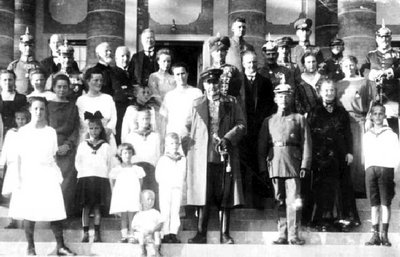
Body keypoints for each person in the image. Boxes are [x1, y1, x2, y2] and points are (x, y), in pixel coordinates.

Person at [186, 69, 246, 244]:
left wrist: (228, 138)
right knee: (203, 194)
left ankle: (225, 234)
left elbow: (242, 124)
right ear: (204, 85)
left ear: (219, 84)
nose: (212, 87)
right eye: (208, 83)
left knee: (225, 193)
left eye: (215, 83)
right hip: (203, 156)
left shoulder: (231, 102)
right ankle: (201, 233)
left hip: (224, 154)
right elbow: (187, 126)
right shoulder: (196, 104)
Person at [10, 97, 75, 256]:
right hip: (29, 174)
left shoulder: (50, 131)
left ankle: (60, 246)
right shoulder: (23, 132)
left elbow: (52, 156)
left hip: (47, 173)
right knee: (29, 210)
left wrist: (56, 174)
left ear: (46, 111)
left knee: (55, 209)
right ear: (31, 111)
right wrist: (18, 179)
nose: (39, 112)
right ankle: (30, 248)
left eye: (42, 109)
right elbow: (18, 157)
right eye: (36, 109)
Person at [258, 83, 311, 245]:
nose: (283, 99)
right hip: (275, 163)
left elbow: (307, 144)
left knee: (294, 200)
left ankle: (293, 234)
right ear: (275, 98)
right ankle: (282, 233)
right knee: (278, 199)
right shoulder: (269, 121)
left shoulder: (299, 119)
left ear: (292, 97)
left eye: (287, 95)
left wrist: (304, 165)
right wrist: (262, 167)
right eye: (280, 96)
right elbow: (262, 147)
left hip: (293, 163)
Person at [307, 80, 354, 231]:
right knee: (322, 186)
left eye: (332, 90)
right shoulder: (314, 111)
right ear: (320, 92)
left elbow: (347, 133)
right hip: (320, 155)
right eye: (326, 90)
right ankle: (322, 220)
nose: (329, 93)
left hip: (339, 155)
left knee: (340, 186)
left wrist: (349, 152)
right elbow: (309, 134)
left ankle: (341, 219)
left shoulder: (342, 112)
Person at [240, 50, 275, 208]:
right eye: (248, 62)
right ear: (243, 64)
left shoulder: (265, 82)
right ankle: (240, 201)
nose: (252, 65)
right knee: (241, 164)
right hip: (241, 129)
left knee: (259, 163)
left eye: (254, 62)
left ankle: (258, 201)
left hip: (260, 129)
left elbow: (270, 107)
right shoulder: (237, 81)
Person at [363, 103, 399, 247]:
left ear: (384, 116)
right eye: (375, 114)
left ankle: (384, 235)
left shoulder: (391, 134)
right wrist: (368, 168)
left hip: (386, 170)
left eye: (380, 113)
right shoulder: (367, 135)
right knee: (374, 204)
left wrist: (391, 170)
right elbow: (364, 154)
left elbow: (396, 155)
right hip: (371, 170)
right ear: (371, 116)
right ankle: (375, 234)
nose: (377, 116)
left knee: (385, 203)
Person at [75, 111, 113, 243]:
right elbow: (78, 162)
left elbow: (109, 163)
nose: (94, 131)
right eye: (91, 128)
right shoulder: (83, 145)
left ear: (101, 129)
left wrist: (104, 175)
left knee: (97, 207)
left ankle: (97, 232)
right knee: (86, 207)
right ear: (88, 129)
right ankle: (85, 232)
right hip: (86, 178)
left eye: (97, 128)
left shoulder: (106, 146)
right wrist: (82, 174)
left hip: (99, 179)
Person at [336, 56, 372, 194]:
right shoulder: (339, 83)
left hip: (359, 121)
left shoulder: (365, 82)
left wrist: (368, 118)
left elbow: (371, 102)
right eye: (345, 66)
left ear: (356, 65)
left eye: (351, 65)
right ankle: (345, 189)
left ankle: (359, 189)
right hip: (343, 122)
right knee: (345, 154)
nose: (349, 68)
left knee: (359, 154)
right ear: (341, 67)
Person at [48, 74, 80, 217]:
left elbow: (75, 129)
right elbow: (45, 128)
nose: (61, 89)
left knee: (67, 182)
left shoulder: (73, 107)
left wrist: (68, 145)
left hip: (68, 149)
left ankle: (65, 214)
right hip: (51, 149)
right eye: (59, 86)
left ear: (69, 89)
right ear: (54, 88)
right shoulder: (48, 106)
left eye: (65, 87)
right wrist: (53, 147)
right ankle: (52, 214)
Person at [360, 22, 400, 134]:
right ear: (376, 38)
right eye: (381, 37)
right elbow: (363, 69)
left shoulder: (397, 54)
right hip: (374, 95)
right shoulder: (370, 55)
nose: (384, 39)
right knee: (373, 126)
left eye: (387, 37)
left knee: (393, 128)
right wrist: (370, 74)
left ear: (390, 38)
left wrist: (392, 71)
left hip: (392, 96)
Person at [160, 62, 202, 148]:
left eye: (183, 73)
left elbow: (200, 117)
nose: (180, 77)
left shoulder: (196, 93)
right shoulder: (169, 95)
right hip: (173, 137)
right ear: (174, 77)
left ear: (187, 74)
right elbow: (164, 118)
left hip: (191, 135)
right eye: (177, 74)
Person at [125, 109, 161, 210]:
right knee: (136, 194)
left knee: (150, 194)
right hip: (137, 167)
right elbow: (128, 155)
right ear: (137, 120)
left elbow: (158, 153)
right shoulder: (131, 136)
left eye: (147, 119)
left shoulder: (155, 136)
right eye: (143, 119)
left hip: (150, 168)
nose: (145, 121)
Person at [109, 143, 145, 243]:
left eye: (129, 153)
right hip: (122, 195)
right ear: (120, 154)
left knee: (132, 215)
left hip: (132, 194)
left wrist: (138, 194)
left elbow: (140, 182)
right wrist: (114, 194)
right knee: (123, 215)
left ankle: (132, 234)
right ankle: (124, 236)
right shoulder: (117, 169)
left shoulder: (137, 169)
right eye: (125, 153)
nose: (127, 155)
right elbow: (112, 181)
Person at [0, 109, 29, 229]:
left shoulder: (30, 132)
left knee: (24, 192)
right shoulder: (11, 133)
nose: (20, 121)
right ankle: (13, 220)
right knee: (12, 192)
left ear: (27, 120)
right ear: (15, 119)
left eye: (23, 119)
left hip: (26, 166)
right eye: (18, 119)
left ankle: (26, 219)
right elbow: (5, 148)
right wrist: (1, 165)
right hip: (12, 166)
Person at [155, 132, 186, 243]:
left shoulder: (182, 159)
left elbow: (183, 174)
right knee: (165, 210)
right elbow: (158, 176)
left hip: (177, 188)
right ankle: (165, 233)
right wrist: (165, 183)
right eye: (171, 143)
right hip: (165, 188)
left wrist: (179, 185)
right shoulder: (163, 159)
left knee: (175, 210)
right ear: (167, 145)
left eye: (176, 143)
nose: (174, 145)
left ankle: (173, 233)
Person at [76, 67, 117, 148]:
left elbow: (113, 117)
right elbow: (81, 121)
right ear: (88, 81)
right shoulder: (81, 100)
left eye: (101, 80)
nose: (99, 83)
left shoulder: (108, 98)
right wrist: (93, 132)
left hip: (106, 136)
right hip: (88, 137)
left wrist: (107, 130)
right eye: (96, 80)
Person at [7, 27, 42, 95]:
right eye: (25, 45)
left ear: (33, 47)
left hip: (35, 98)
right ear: (20, 46)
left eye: (30, 45)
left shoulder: (39, 65)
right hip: (18, 98)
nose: (28, 48)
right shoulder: (14, 65)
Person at [131, 190, 163, 257]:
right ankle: (143, 251)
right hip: (143, 234)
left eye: (152, 199)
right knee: (140, 235)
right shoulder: (138, 214)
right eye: (148, 199)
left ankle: (157, 251)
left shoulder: (155, 212)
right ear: (142, 201)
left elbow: (160, 223)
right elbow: (133, 226)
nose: (150, 201)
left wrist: (153, 230)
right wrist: (140, 230)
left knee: (157, 234)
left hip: (152, 233)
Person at [294, 51, 324, 115]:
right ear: (304, 64)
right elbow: (297, 101)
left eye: (313, 61)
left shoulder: (322, 78)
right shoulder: (299, 80)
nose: (311, 65)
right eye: (308, 62)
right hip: (307, 115)